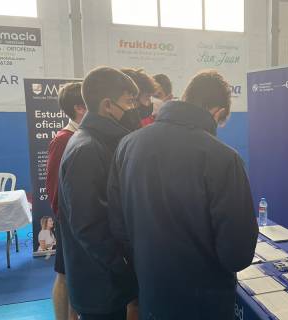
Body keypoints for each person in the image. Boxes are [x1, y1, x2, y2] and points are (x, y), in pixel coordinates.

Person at [107, 70, 258, 320]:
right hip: (205, 300)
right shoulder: (223, 158)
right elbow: (237, 252)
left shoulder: (127, 145)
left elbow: (118, 224)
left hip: (151, 291)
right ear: (217, 112)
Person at [58, 67, 139, 320]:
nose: (133, 109)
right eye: (128, 102)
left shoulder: (97, 142)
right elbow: (88, 226)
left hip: (104, 279)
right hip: (100, 283)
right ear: (107, 105)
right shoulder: (87, 149)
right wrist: (125, 270)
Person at [46, 81, 85, 320]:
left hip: (78, 221)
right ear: (80, 107)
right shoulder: (63, 139)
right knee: (64, 275)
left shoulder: (81, 136)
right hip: (68, 222)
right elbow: (54, 188)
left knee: (75, 276)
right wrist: (66, 222)